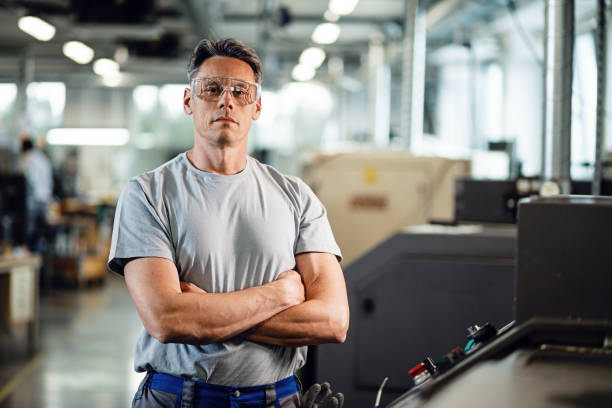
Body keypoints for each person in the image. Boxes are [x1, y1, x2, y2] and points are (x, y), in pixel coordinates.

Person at [108, 38, 349, 408]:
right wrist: (280, 296)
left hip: (277, 399)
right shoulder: (147, 194)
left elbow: (332, 322)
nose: (226, 100)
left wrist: (206, 316)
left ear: (257, 107)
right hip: (178, 398)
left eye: (241, 91)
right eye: (212, 88)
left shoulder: (297, 197)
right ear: (189, 101)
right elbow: (166, 319)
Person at [18, 137, 53, 253]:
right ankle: (37, 257)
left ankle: (28, 256)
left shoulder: (27, 159)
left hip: (32, 199)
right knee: (39, 232)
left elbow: (27, 181)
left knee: (30, 231)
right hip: (44, 199)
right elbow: (49, 181)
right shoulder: (42, 158)